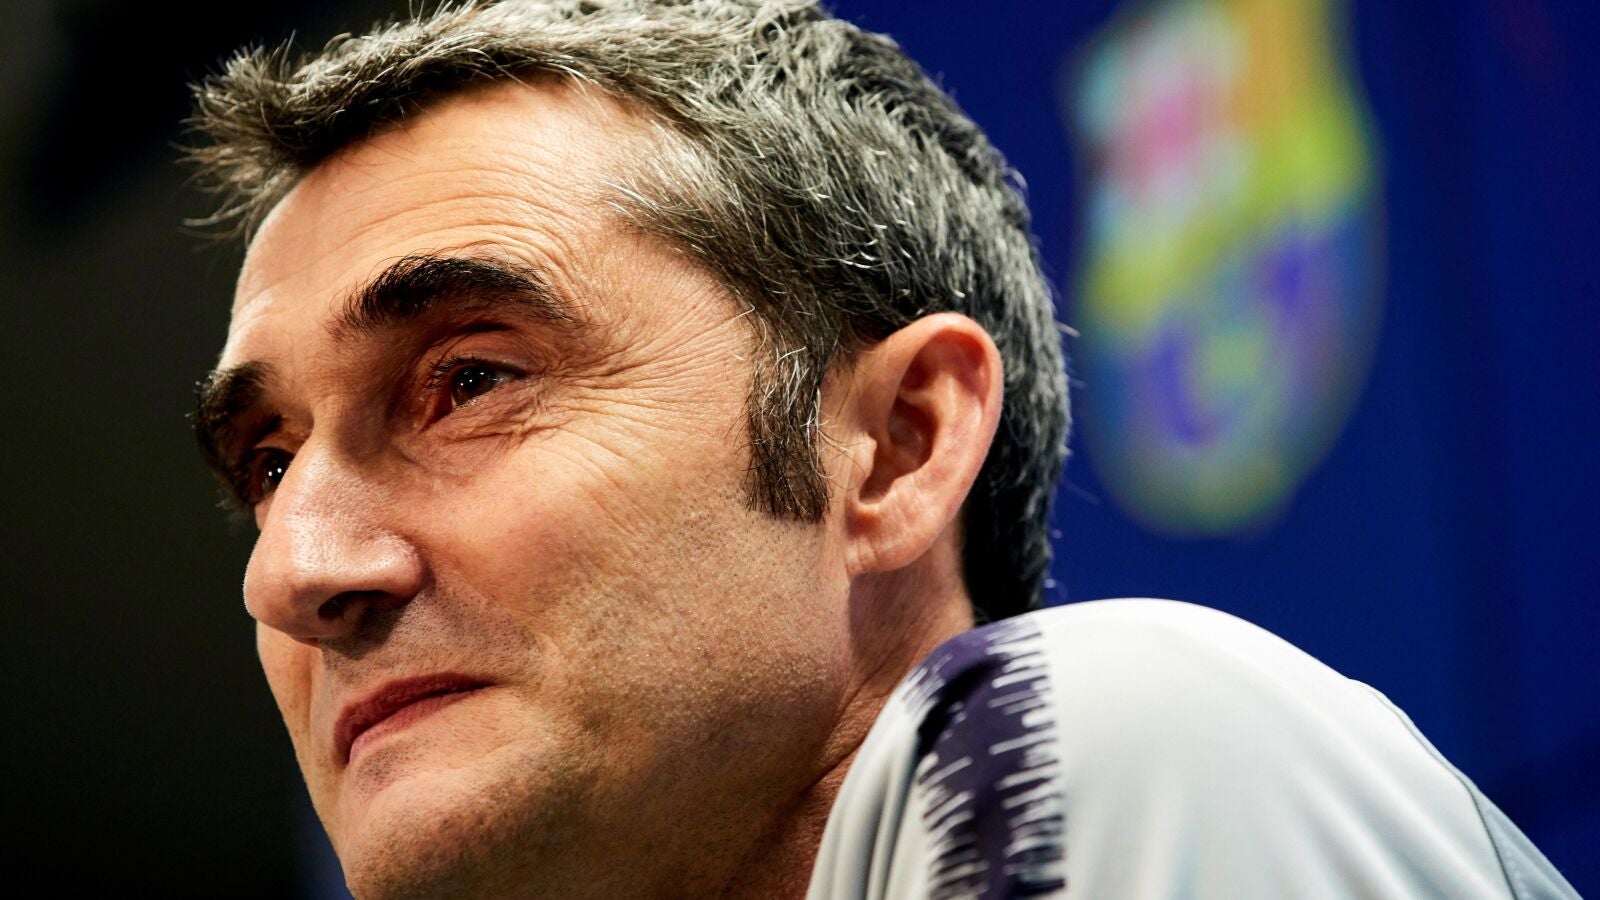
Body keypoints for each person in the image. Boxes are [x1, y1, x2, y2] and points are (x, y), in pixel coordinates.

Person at [185, 1, 1578, 897]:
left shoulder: (1091, 737)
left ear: (898, 446)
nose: (292, 571)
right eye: (269, 465)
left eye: (470, 381)